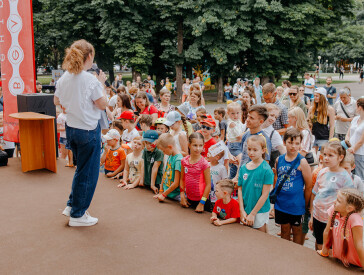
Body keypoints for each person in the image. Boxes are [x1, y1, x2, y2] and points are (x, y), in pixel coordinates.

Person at [54, 39, 107, 226]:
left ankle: (72, 205)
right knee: (88, 173)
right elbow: (102, 104)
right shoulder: (90, 80)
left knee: (81, 170)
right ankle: (78, 214)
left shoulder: (64, 78)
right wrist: (101, 84)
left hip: (72, 129)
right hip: (88, 130)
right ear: (89, 56)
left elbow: (56, 101)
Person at [309, 140, 354, 250]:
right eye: (325, 154)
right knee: (319, 243)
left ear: (340, 157)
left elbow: (349, 202)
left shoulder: (345, 177)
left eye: (330, 155)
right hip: (318, 216)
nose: (326, 158)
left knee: (331, 247)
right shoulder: (322, 172)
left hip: (334, 220)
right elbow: (314, 194)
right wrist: (311, 215)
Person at [274, 128, 312, 244]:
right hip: (281, 204)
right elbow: (277, 179)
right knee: (284, 229)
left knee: (297, 231)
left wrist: (305, 204)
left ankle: (297, 255)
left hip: (296, 205)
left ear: (300, 144)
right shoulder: (279, 160)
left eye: (297, 143)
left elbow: (309, 185)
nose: (293, 146)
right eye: (290, 142)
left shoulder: (303, 162)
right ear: (284, 142)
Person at [318, 188, 364, 268]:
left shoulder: (354, 219)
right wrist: (324, 251)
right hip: (339, 260)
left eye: (338, 201)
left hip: (355, 263)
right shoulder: (333, 210)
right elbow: (327, 230)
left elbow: (359, 244)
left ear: (349, 208)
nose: (334, 202)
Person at [238, 135, 274, 232]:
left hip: (259, 211)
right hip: (246, 209)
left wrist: (253, 214)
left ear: (263, 150)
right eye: (249, 149)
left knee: (260, 236)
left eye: (255, 150)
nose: (251, 152)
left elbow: (265, 194)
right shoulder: (243, 168)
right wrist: (241, 209)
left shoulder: (266, 170)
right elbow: (240, 188)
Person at [233, 105, 272, 175]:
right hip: (243, 175)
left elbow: (265, 164)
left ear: (261, 122)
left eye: (251, 118)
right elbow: (243, 157)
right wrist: (237, 176)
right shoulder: (245, 134)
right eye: (248, 116)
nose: (247, 119)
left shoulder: (264, 139)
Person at [180, 132, 211, 213]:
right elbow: (182, 179)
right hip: (189, 199)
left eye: (200, 145)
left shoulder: (204, 164)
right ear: (189, 145)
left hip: (202, 201)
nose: (198, 149)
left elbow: (208, 185)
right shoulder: (184, 161)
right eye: (195, 145)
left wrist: (202, 203)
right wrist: (182, 195)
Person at [154, 133, 183, 202]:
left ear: (170, 147)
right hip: (167, 194)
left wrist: (163, 194)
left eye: (164, 151)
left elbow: (176, 183)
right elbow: (165, 174)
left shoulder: (178, 160)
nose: (163, 153)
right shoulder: (170, 156)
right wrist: (161, 191)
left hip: (175, 195)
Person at [226, 102, 245, 179]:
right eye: (233, 114)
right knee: (241, 160)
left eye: (237, 113)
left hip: (239, 145)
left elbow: (242, 128)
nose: (235, 115)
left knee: (234, 166)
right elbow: (239, 136)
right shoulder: (232, 123)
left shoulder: (238, 121)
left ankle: (232, 178)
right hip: (234, 146)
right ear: (228, 113)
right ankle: (237, 177)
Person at [347, 98, 364, 180]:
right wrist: (347, 142)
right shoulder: (355, 119)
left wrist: (353, 149)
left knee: (360, 176)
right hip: (350, 150)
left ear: (359, 107)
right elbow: (348, 133)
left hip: (360, 152)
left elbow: (361, 141)